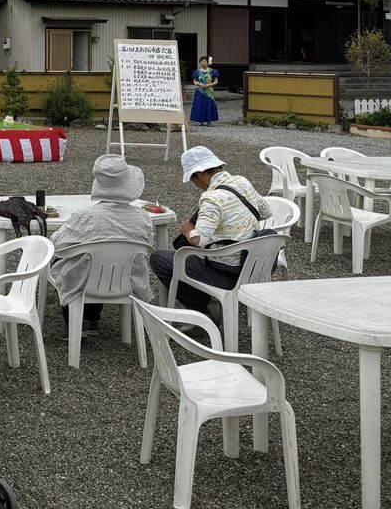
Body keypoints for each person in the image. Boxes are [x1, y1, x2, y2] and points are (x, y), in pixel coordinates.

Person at [150, 146, 273, 315]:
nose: (196, 186)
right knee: (186, 257)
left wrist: (188, 230)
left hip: (227, 270)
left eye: (194, 180)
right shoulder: (242, 181)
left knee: (160, 259)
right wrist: (238, 224)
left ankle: (204, 308)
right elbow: (266, 212)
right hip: (254, 264)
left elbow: (199, 241)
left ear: (200, 174)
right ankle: (212, 301)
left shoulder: (211, 198)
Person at [50, 155, 155, 335]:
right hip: (129, 279)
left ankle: (75, 326)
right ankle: (92, 319)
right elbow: (148, 246)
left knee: (75, 263)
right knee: (102, 260)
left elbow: (58, 244)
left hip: (87, 280)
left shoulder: (86, 216)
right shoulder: (143, 218)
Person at [189, 57, 219, 127]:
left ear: (208, 62)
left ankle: (209, 121)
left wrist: (209, 85)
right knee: (200, 105)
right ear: (200, 63)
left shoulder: (212, 71)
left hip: (209, 91)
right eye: (201, 61)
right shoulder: (197, 72)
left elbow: (216, 81)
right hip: (200, 90)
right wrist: (200, 84)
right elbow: (194, 81)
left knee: (208, 105)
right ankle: (200, 121)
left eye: (204, 61)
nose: (203, 62)